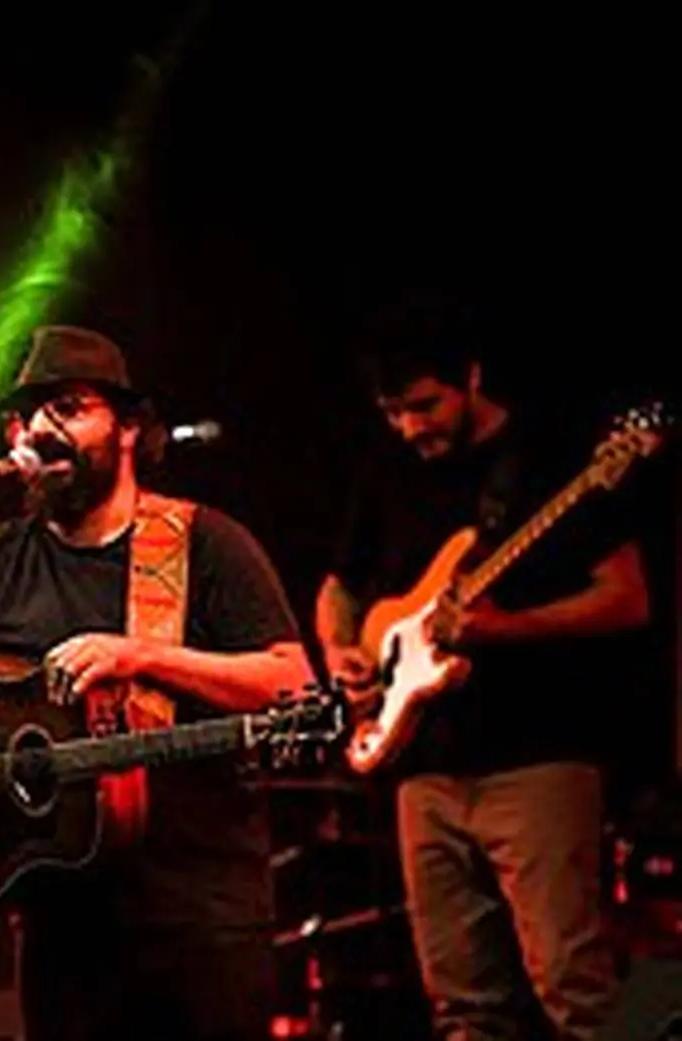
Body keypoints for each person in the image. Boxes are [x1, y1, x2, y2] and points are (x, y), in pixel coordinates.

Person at [0, 324, 316, 1041]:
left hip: (201, 919)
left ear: (128, 428)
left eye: (69, 407)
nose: (41, 428)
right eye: (27, 414)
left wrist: (143, 657)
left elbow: (291, 682)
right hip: (62, 929)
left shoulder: (204, 543)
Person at [314, 294, 652, 1040]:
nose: (411, 428)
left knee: (572, 986)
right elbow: (340, 586)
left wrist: (508, 629)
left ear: (470, 377)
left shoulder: (553, 464)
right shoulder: (388, 470)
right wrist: (341, 653)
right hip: (423, 771)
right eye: (394, 413)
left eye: (425, 406)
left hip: (537, 757)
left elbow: (628, 599)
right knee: (463, 1005)